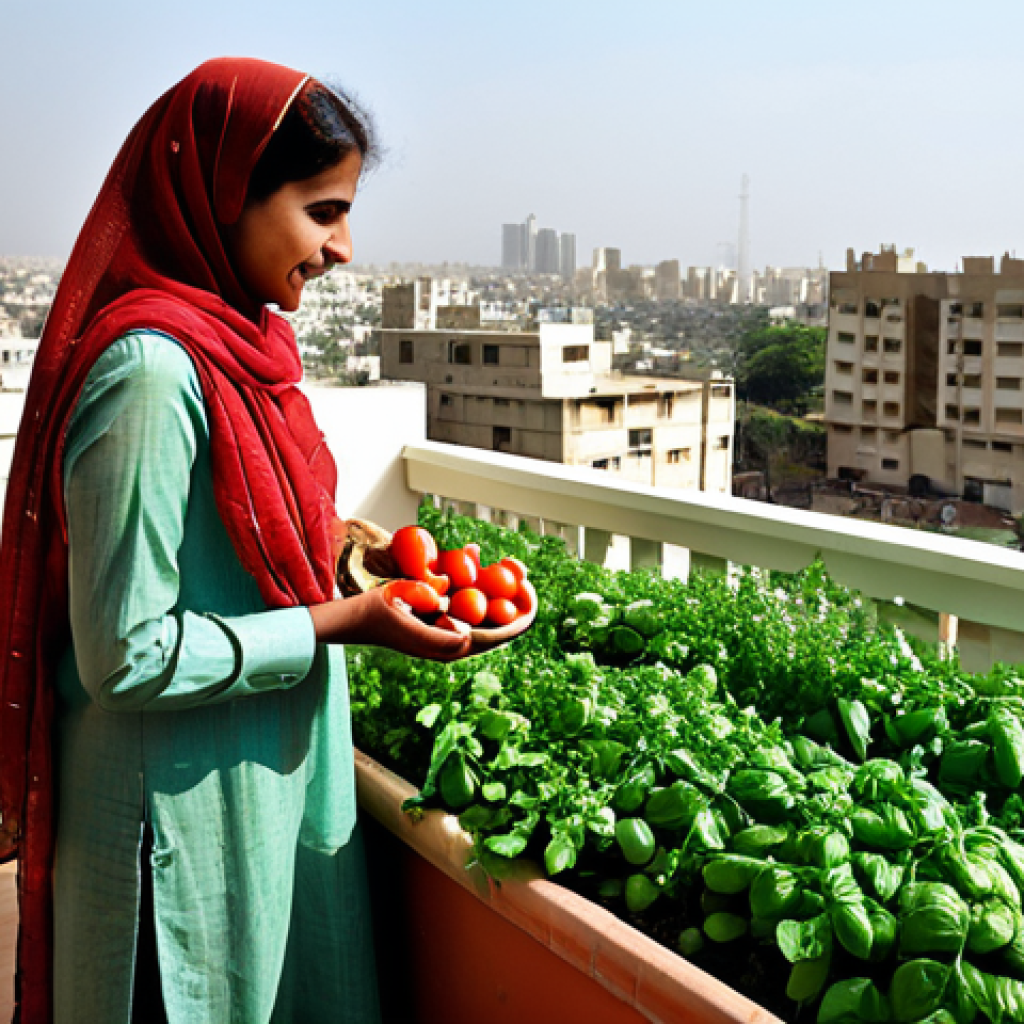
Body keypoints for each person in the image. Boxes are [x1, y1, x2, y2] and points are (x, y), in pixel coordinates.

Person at [0, 57, 482, 1024]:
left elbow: (237, 538)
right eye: (322, 210)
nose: (345, 246)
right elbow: (126, 655)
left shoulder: (241, 347)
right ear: (225, 199)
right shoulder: (151, 374)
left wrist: (352, 554)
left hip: (252, 804)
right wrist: (341, 620)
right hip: (172, 834)